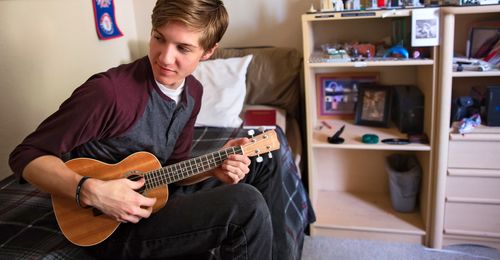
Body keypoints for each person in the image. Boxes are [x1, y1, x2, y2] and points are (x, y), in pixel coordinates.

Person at [9, 0, 306, 259]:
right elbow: (25, 155)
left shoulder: (194, 93)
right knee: (246, 203)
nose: (164, 57)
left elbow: (172, 170)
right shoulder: (108, 92)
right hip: (105, 224)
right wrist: (89, 190)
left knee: (268, 151)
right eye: (158, 39)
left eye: (183, 48)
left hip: (153, 196)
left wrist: (214, 165)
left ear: (208, 52)